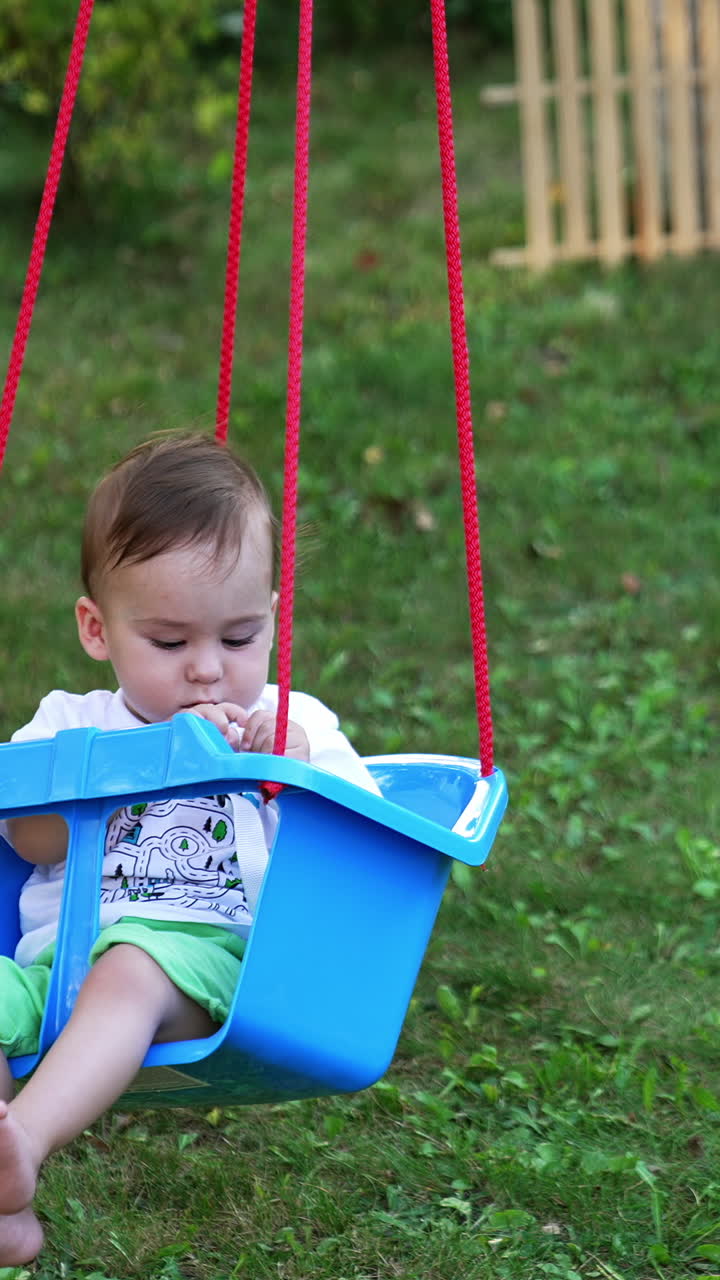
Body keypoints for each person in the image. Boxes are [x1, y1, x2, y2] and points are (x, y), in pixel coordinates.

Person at [0, 432, 379, 1265]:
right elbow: (25, 836)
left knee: (132, 963)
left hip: (197, 965)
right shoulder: (72, 723)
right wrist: (150, 765)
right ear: (98, 630)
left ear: (273, 618)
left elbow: (367, 843)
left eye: (238, 638)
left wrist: (295, 771)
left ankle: (23, 1142)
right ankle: (3, 1202)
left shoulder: (294, 724)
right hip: (50, 967)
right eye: (170, 644)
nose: (208, 670)